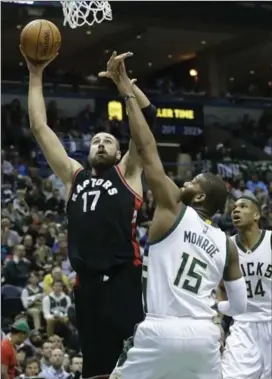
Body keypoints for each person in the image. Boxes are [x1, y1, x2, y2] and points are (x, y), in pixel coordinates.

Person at [100, 53, 248, 379]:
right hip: (204, 336)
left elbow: (148, 148)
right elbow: (239, 306)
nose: (184, 182)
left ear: (201, 196)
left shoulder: (172, 208)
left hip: (161, 330)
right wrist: (216, 309)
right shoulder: (228, 244)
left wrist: (125, 90)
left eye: (191, 182)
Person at [21, 48, 156, 377]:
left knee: (131, 367)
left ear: (119, 151)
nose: (100, 144)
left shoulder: (129, 172)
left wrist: (126, 87)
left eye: (108, 141)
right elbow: (40, 127)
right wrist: (36, 74)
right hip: (87, 287)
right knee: (95, 370)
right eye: (96, 141)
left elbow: (148, 121)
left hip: (122, 280)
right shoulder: (74, 176)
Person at [222, 197, 272, 379]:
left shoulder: (270, 239)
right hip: (243, 325)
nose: (236, 210)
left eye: (243, 207)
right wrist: (218, 320)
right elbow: (220, 287)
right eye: (234, 207)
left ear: (256, 215)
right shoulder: (227, 245)